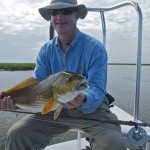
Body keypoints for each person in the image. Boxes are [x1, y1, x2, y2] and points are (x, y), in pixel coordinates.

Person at [0, 0, 126, 149]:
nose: (60, 16)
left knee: (113, 142)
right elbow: (36, 87)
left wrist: (83, 99)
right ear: (51, 18)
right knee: (17, 134)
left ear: (77, 15)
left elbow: (97, 89)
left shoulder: (95, 48)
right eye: (54, 12)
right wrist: (14, 102)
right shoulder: (45, 51)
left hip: (91, 109)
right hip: (52, 107)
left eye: (66, 11)